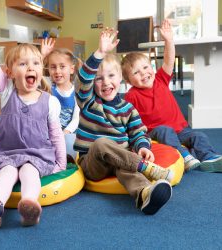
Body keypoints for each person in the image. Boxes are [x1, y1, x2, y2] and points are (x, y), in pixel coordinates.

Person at [0, 1, 66, 228]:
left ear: (41, 69)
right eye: (23, 64)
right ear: (9, 73)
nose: (30, 68)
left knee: (29, 172)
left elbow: (56, 135)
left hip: (36, 155)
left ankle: (29, 206)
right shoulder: (6, 92)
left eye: (36, 63)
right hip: (7, 152)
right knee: (7, 172)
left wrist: (61, 163)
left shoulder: (50, 101)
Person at [74, 28, 173, 215]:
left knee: (127, 169)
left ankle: (144, 194)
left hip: (122, 159)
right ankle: (145, 168)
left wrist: (143, 146)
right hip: (93, 163)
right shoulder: (88, 102)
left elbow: (138, 133)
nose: (105, 83)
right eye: (99, 79)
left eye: (111, 76)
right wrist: (100, 53)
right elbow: (83, 80)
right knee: (102, 143)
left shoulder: (128, 108)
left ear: (121, 78)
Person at [122, 19, 222, 172]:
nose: (143, 73)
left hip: (181, 129)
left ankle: (209, 157)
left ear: (152, 67)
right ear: (129, 81)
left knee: (199, 136)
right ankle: (184, 155)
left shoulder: (161, 79)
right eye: (136, 72)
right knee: (165, 131)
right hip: (156, 131)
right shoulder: (131, 96)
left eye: (145, 67)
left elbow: (169, 61)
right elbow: (126, 118)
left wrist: (169, 40)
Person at [41, 39, 80, 160]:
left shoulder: (77, 92)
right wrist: (42, 56)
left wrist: (64, 134)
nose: (57, 71)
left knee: (69, 147)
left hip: (68, 134)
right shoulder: (47, 86)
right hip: (49, 134)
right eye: (53, 67)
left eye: (62, 67)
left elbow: (76, 119)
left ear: (71, 69)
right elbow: (35, 71)